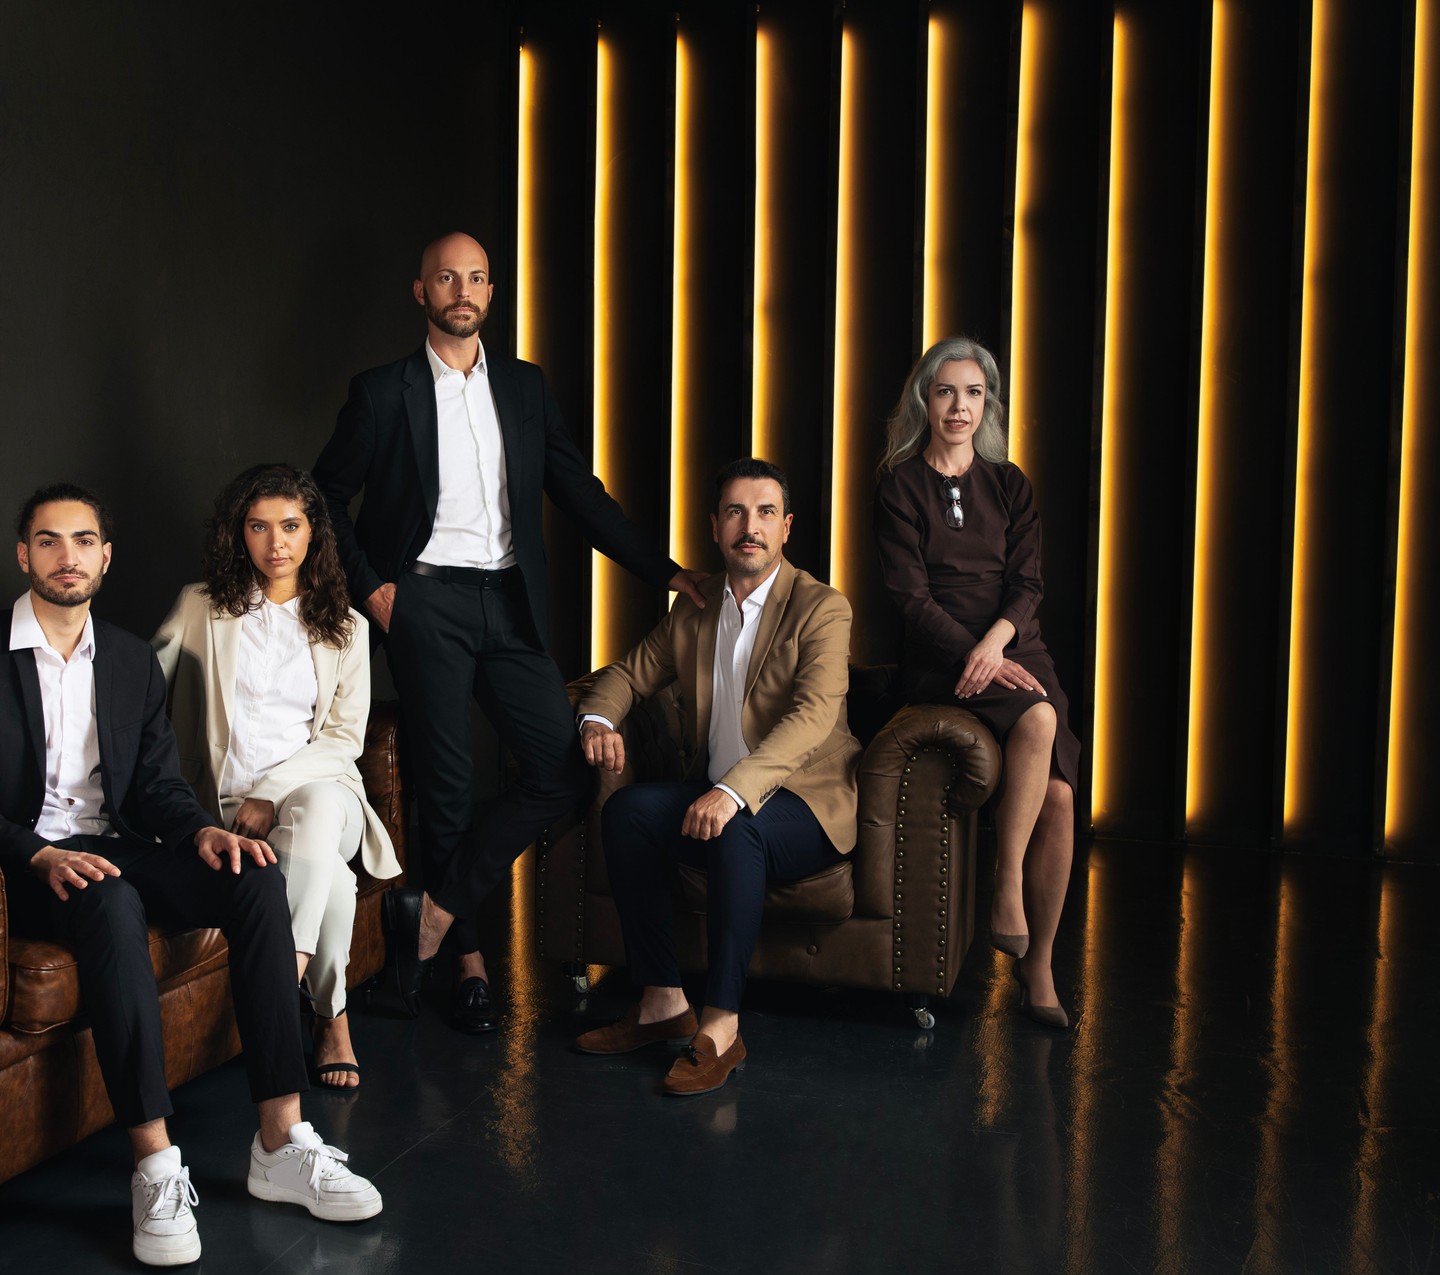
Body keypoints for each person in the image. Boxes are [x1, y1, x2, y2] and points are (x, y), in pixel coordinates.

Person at [0, 483, 381, 1270]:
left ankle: (279, 1138)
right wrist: (40, 852)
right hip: (23, 861)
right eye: (51, 541)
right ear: (22, 554)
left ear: (106, 556)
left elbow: (157, 786)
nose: (70, 557)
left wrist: (203, 831)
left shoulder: (129, 658)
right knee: (110, 896)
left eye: (85, 541)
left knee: (255, 875)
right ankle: (156, 1163)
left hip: (113, 841)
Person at [314, 231, 706, 1032]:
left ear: (491, 293)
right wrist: (375, 590)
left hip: (509, 602)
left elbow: (579, 491)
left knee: (562, 770)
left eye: (479, 278)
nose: (464, 290)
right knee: (448, 787)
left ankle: (434, 912)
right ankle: (468, 963)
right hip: (424, 602)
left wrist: (664, 571)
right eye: (448, 278)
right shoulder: (383, 391)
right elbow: (323, 495)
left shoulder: (524, 388)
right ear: (420, 292)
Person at [570, 459, 861, 1094]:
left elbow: (814, 717)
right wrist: (596, 720)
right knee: (627, 815)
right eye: (735, 512)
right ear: (715, 527)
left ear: (785, 528)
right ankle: (662, 1003)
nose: (748, 527)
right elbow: (626, 674)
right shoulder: (696, 608)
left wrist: (732, 792)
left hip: (803, 804)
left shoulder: (822, 608)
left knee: (738, 831)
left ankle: (721, 1026)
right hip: (721, 793)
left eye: (763, 514)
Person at [153, 464, 401, 1091]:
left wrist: (269, 793)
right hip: (225, 803)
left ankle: (277, 979)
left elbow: (343, 740)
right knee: (335, 888)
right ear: (240, 534)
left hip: (324, 795)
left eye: (290, 526)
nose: (276, 543)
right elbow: (142, 694)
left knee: (315, 816)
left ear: (314, 532)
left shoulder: (346, 628)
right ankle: (331, 1020)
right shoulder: (199, 607)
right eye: (258, 527)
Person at [873, 338, 1082, 1028]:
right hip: (939, 653)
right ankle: (1006, 887)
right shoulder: (899, 485)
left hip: (1013, 645)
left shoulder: (1009, 482)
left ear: (986, 401)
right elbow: (909, 596)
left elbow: (1028, 583)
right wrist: (973, 651)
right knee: (1043, 719)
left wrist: (996, 644)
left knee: (1058, 795)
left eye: (973, 392)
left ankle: (1040, 962)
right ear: (924, 401)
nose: (959, 406)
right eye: (945, 391)